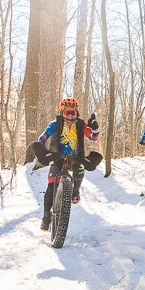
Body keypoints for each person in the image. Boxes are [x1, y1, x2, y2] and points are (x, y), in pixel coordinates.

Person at [38, 97, 99, 231]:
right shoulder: (55, 123)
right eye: (67, 112)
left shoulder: (81, 124)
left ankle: (75, 191)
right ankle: (46, 217)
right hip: (57, 157)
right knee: (50, 186)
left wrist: (95, 128)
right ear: (62, 112)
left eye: (73, 112)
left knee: (80, 168)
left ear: (76, 112)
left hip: (75, 157)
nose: (70, 115)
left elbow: (94, 137)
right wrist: (41, 142)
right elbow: (45, 134)